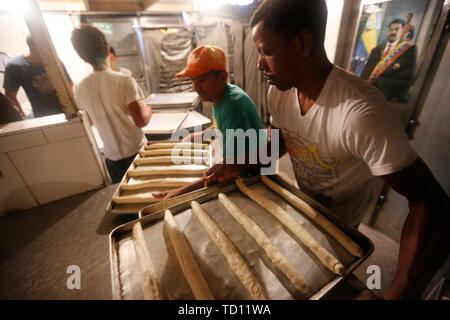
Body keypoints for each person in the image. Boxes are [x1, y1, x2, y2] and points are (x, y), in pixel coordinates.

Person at [206, 0, 448, 300]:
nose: (259, 64)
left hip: (341, 228)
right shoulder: (279, 93)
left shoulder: (360, 113)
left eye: (266, 51)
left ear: (303, 43)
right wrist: (239, 162)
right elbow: (285, 138)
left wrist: (402, 287)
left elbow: (429, 202)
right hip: (303, 209)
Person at [153, 45, 266, 200]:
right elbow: (220, 126)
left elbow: (229, 168)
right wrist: (195, 136)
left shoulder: (233, 104)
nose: (196, 88)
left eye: (202, 80)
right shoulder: (221, 97)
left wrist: (179, 192)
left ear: (222, 77)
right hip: (236, 166)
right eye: (193, 80)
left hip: (253, 177)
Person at [71, 24, 152, 184]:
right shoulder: (124, 80)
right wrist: (148, 109)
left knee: (125, 202)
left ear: (82, 57)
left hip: (111, 158)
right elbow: (141, 120)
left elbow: (91, 121)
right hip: (137, 153)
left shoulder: (80, 87)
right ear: (107, 49)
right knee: (147, 196)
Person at [3, 36, 73, 118]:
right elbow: (10, 96)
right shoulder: (15, 66)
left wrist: (72, 107)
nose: (49, 49)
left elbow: (69, 85)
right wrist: (22, 118)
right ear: (33, 47)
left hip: (66, 113)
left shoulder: (54, 60)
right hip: (42, 117)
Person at [361, 18, 416, 103]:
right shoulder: (376, 50)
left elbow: (407, 78)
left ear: (402, 32)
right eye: (391, 29)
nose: (393, 32)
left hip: (387, 99)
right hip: (367, 96)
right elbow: (366, 72)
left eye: (397, 29)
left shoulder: (408, 50)